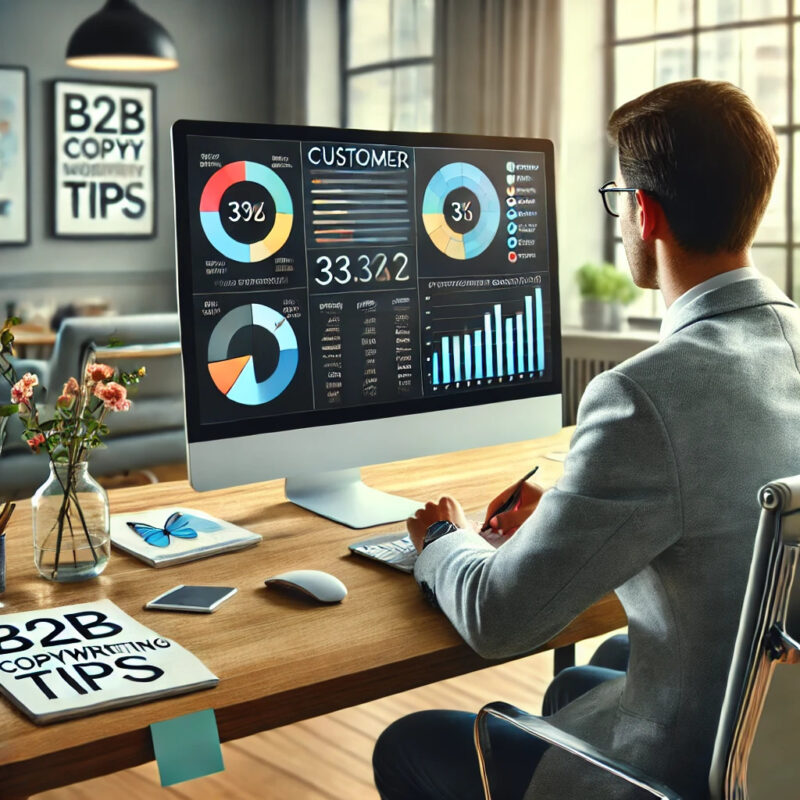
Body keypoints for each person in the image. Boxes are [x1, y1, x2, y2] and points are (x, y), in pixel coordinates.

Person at [372, 78, 800, 800]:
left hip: (690, 770)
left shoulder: (644, 395)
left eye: (618, 205)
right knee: (579, 674)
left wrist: (444, 538)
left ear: (644, 212)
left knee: (408, 744)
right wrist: (573, 511)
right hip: (780, 750)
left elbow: (498, 619)